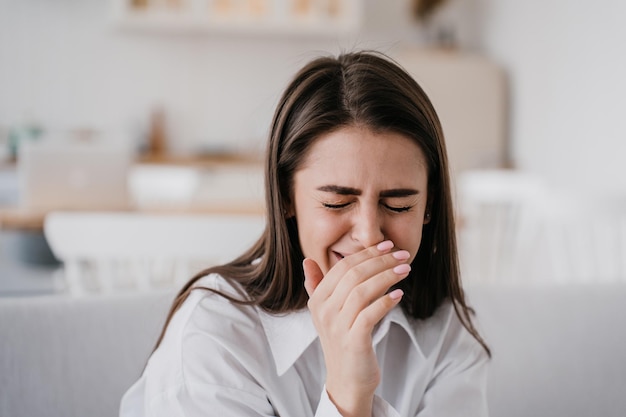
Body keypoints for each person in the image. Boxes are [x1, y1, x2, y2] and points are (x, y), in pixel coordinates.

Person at [120, 50, 490, 417]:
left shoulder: (447, 334)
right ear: (286, 198)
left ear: (429, 207)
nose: (368, 236)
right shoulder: (214, 337)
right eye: (336, 202)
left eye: (398, 206)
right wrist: (347, 394)